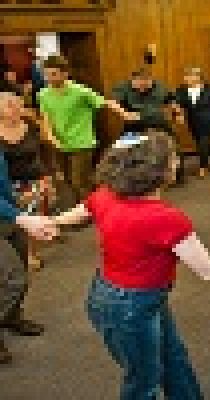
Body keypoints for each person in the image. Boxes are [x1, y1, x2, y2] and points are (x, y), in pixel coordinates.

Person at [52, 130, 210, 399]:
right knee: (144, 383)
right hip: (131, 307)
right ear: (159, 172)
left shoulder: (106, 194)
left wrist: (53, 222)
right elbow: (209, 272)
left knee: (172, 356)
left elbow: (82, 210)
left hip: (112, 296)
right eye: (173, 158)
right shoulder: (165, 218)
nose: (177, 162)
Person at [0, 92, 57, 365]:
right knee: (13, 277)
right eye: (7, 105)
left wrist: (20, 204)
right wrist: (21, 216)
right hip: (8, 214)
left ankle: (12, 318)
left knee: (21, 268)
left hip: (10, 211)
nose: (15, 109)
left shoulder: (24, 129)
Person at [38, 55, 139, 203]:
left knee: (78, 180)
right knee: (67, 180)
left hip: (82, 141)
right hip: (60, 143)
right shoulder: (43, 94)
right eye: (46, 74)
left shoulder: (80, 91)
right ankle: (94, 200)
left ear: (65, 74)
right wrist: (51, 138)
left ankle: (91, 208)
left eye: (53, 74)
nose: (49, 78)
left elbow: (106, 102)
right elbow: (46, 118)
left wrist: (125, 114)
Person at [0, 92, 54, 271]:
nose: (16, 107)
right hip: (8, 184)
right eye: (9, 105)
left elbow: (44, 153)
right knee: (14, 221)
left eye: (17, 103)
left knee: (34, 218)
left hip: (34, 179)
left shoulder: (30, 125)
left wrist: (47, 178)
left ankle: (32, 254)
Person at [171, 67, 210, 178]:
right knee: (202, 142)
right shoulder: (181, 90)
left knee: (203, 140)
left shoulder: (209, 89)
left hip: (209, 118)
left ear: (198, 77)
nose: (186, 78)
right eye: (186, 76)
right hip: (193, 120)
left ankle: (203, 167)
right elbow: (176, 104)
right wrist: (178, 115)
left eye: (189, 76)